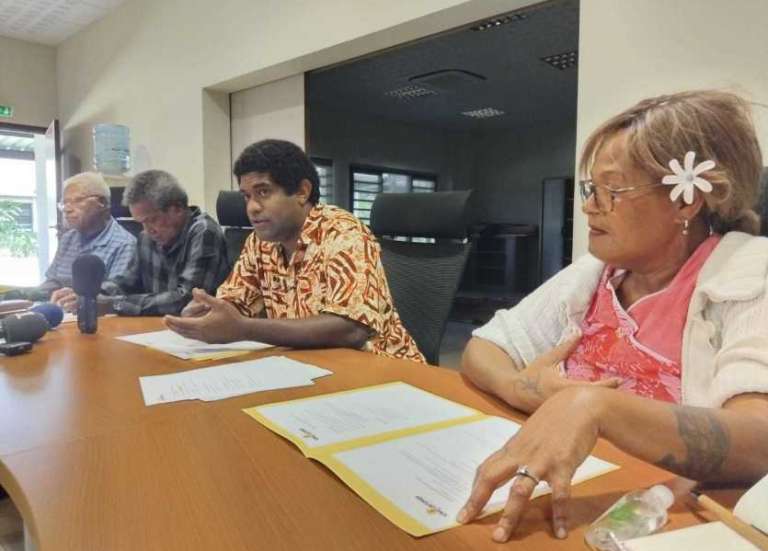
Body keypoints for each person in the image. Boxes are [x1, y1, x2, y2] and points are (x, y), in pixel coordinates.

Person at [456, 90, 768, 542]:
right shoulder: (595, 274)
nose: (588, 206)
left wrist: (596, 407)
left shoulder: (749, 273)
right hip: (565, 482)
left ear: (686, 202)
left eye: (612, 191)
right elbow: (483, 347)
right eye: (590, 189)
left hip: (655, 518)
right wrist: (524, 387)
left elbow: (759, 439)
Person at [164, 139, 425, 362]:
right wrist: (207, 313)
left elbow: (350, 330)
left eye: (263, 192)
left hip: (381, 370)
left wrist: (243, 328)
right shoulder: (259, 241)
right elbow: (237, 304)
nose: (252, 207)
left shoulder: (343, 233)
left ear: (302, 192)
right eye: (246, 196)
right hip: (309, 365)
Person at [52, 169, 230, 315]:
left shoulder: (204, 231)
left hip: (198, 334)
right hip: (152, 330)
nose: (146, 229)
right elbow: (126, 282)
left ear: (176, 208)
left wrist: (113, 305)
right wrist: (88, 295)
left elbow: (185, 298)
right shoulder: (147, 237)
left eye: (152, 219)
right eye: (141, 222)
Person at [6, 172, 135, 301]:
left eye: (77, 201)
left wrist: (80, 298)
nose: (67, 209)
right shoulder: (68, 238)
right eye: (65, 203)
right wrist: (26, 295)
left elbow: (115, 291)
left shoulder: (124, 243)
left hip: (96, 315)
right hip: (59, 311)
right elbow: (54, 280)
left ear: (102, 202)